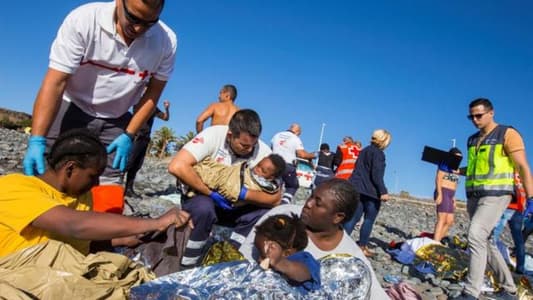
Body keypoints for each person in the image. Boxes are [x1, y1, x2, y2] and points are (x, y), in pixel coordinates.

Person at [22, 0, 177, 191]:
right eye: (133, 18)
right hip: (71, 105)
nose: (138, 28)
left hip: (117, 119)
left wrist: (129, 134)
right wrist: (37, 139)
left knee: (109, 191)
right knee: (47, 179)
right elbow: (56, 82)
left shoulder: (166, 41)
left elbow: (153, 93)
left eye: (148, 23)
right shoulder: (85, 20)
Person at [0, 128, 191, 258]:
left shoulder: (81, 196)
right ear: (70, 168)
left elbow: (83, 240)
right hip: (18, 279)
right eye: (93, 176)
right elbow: (74, 225)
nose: (96, 183)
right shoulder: (15, 187)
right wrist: (155, 222)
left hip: (62, 274)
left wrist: (129, 237)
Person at [239, 178, 389, 300]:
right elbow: (244, 256)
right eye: (311, 196)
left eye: (318, 203)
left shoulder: (350, 256)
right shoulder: (285, 215)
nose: (308, 204)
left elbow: (375, 293)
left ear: (338, 217)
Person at [168, 109, 281, 267]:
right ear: (230, 135)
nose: (249, 150)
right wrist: (211, 193)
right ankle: (188, 263)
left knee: (263, 214)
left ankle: (230, 258)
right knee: (204, 208)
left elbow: (276, 198)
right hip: (203, 196)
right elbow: (177, 166)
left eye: (252, 145)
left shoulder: (263, 152)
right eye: (243, 145)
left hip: (235, 205)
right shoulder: (213, 135)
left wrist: (241, 194)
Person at [452, 98, 533, 300]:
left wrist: (531, 197)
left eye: (478, 115)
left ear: (491, 113)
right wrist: (457, 170)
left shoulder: (507, 134)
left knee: (475, 236)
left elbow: (522, 166)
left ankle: (471, 292)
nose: (475, 120)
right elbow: (474, 168)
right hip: (474, 196)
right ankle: (509, 289)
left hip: (497, 195)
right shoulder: (472, 140)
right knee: (486, 242)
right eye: (471, 116)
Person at [345, 129, 392, 258]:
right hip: (371, 192)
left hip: (356, 187)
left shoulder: (364, 150)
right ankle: (362, 246)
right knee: (369, 220)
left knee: (353, 218)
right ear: (384, 140)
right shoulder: (379, 154)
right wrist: (383, 191)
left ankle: (340, 243)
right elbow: (376, 174)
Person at [254, 213, 321, 294]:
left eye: (262, 255)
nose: (258, 259)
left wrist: (280, 263)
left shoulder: (302, 259)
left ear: (286, 253)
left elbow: (304, 274)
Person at [187, 153, 286, 202]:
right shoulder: (251, 170)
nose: (257, 170)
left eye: (263, 171)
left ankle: (193, 176)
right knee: (212, 167)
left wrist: (241, 193)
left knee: (212, 177)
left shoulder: (264, 187)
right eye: (258, 165)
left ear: (271, 178)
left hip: (230, 184)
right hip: (230, 174)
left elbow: (232, 188)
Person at [125, 100, 170, 198]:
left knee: (137, 165)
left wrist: (167, 108)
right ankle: (115, 186)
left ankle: (128, 189)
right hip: (136, 135)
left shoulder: (154, 107)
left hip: (145, 137)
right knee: (129, 162)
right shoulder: (138, 102)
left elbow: (165, 118)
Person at [271, 123, 316, 204]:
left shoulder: (276, 135)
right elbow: (301, 154)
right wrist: (312, 155)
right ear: (298, 132)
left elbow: (271, 148)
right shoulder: (295, 138)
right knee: (293, 185)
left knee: (276, 185)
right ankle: (284, 203)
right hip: (286, 166)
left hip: (273, 164)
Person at [433, 147, 463, 242]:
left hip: (451, 194)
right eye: (456, 157)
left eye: (460, 158)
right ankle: (435, 243)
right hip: (443, 191)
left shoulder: (457, 170)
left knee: (449, 221)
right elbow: (438, 179)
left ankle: (438, 239)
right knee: (442, 219)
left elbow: (455, 184)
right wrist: (439, 193)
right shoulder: (444, 165)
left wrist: (454, 198)